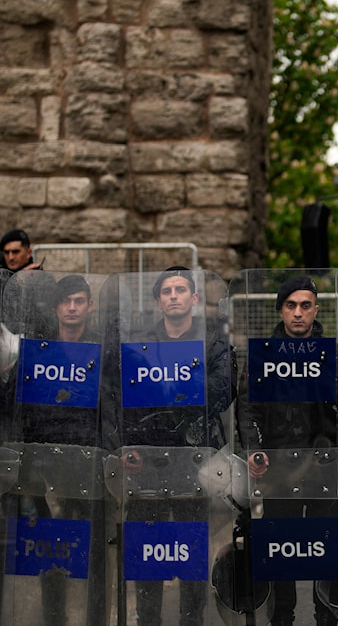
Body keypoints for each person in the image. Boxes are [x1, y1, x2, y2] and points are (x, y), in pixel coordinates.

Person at [237, 275, 338, 626]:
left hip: (324, 467)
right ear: (280, 310)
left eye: (305, 306)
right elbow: (247, 408)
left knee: (326, 553)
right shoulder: (262, 355)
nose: (298, 313)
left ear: (316, 309)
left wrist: (324, 376)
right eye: (290, 306)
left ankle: (327, 619)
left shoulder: (337, 354)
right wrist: (252, 449)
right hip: (278, 469)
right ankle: (283, 619)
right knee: (281, 553)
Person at [112, 266, 233, 626]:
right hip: (148, 462)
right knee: (148, 553)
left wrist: (168, 387)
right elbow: (127, 401)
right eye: (167, 291)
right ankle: (148, 619)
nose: (174, 296)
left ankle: (191, 621)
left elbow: (223, 392)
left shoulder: (212, 342)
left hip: (195, 461)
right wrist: (127, 445)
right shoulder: (141, 346)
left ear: (194, 299)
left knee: (191, 553)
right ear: (158, 301)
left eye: (181, 290)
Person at [0, 273, 106, 626]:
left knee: (89, 556)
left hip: (86, 470)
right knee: (48, 554)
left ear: (90, 306)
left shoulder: (99, 355)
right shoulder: (37, 353)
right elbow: (10, 403)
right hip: (40, 471)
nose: (72, 308)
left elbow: (109, 409)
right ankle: (53, 618)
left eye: (79, 301)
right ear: (57, 307)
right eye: (66, 301)